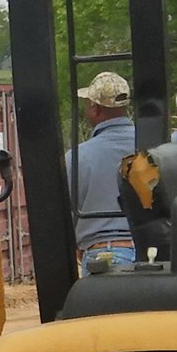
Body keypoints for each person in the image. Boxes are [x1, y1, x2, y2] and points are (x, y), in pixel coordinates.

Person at [63, 72, 138, 273]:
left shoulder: (77, 157)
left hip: (105, 256)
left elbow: (64, 214)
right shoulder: (157, 146)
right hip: (157, 253)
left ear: (94, 108)